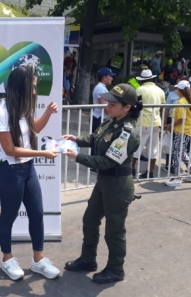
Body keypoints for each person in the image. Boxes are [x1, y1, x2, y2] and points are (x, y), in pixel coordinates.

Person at [62, 84, 142, 284]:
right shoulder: (111, 121)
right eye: (108, 102)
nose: (108, 107)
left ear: (127, 108)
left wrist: (77, 156)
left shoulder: (127, 133)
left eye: (113, 104)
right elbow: (95, 138)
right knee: (90, 221)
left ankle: (116, 269)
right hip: (104, 181)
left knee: (114, 230)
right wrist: (76, 140)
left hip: (117, 184)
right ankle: (88, 260)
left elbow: (107, 161)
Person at [0, 64, 60, 281]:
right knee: (8, 218)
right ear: (21, 86)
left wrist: (48, 113)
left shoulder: (24, 107)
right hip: (10, 172)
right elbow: (10, 150)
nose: (34, 91)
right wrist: (42, 153)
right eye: (31, 87)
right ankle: (7, 259)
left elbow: (35, 129)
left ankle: (38, 260)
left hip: (28, 169)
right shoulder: (1, 112)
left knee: (37, 214)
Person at [132, 69, 165, 179]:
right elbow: (161, 107)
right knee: (153, 149)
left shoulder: (139, 90)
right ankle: (150, 172)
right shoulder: (160, 91)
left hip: (142, 121)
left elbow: (136, 105)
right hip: (155, 122)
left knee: (136, 147)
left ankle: (132, 170)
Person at [165, 80, 191, 187]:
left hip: (181, 130)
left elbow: (181, 119)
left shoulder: (181, 102)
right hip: (187, 130)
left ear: (179, 90)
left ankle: (177, 177)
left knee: (177, 152)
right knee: (181, 151)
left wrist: (170, 125)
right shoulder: (188, 100)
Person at [91, 67, 116, 156]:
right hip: (99, 118)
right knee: (97, 141)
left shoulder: (102, 87)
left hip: (101, 117)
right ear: (104, 77)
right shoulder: (100, 88)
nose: (112, 78)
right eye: (110, 76)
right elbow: (104, 107)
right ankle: (94, 164)